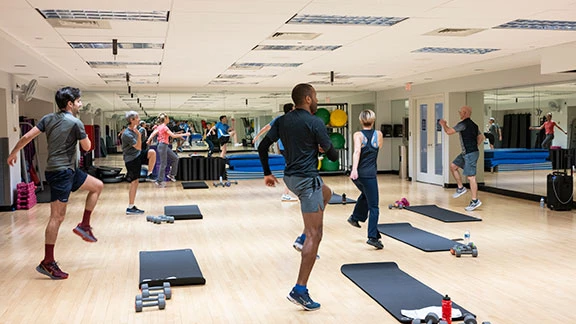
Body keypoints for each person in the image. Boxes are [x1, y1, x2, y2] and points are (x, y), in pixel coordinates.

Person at [6, 86, 104, 280]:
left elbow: (27, 137)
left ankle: (84, 224)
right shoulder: (76, 123)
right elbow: (87, 147)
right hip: (62, 173)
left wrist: (13, 152)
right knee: (56, 217)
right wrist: (82, 135)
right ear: (70, 104)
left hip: (67, 170)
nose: (81, 104)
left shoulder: (47, 118)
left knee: (97, 186)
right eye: (78, 101)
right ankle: (47, 262)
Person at [258, 83, 338, 311]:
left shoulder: (283, 120)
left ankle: (303, 239)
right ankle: (299, 290)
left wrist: (267, 173)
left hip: (291, 178)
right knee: (317, 233)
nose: (317, 98)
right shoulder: (315, 122)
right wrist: (325, 148)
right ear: (308, 98)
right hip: (306, 180)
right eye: (315, 95)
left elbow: (263, 146)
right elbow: (332, 154)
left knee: (328, 192)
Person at [348, 109, 384, 249]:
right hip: (369, 174)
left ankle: (355, 217)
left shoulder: (358, 135)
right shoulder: (378, 134)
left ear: (361, 121)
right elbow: (377, 146)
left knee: (366, 195)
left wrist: (354, 169)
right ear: (373, 120)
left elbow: (357, 151)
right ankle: (372, 237)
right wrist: (355, 169)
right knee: (374, 206)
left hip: (358, 175)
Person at [439, 106, 484, 211]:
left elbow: (449, 132)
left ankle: (475, 201)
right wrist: (474, 146)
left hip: (470, 154)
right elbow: (481, 137)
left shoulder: (463, 124)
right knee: (453, 166)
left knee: (471, 177)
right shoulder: (474, 125)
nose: (459, 113)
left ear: (464, 113)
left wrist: (444, 125)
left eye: (460, 112)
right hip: (467, 153)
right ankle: (461, 188)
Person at [253, 103, 296, 201]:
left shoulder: (279, 119)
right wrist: (257, 136)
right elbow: (266, 129)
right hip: (287, 149)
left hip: (286, 148)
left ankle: (289, 193)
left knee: (292, 169)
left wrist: (257, 136)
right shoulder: (283, 120)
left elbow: (266, 128)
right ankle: (286, 193)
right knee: (291, 170)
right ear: (291, 110)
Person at [121, 111, 157, 214]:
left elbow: (142, 147)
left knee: (152, 153)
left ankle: (150, 174)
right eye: (137, 118)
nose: (139, 120)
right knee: (134, 182)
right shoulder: (127, 134)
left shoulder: (137, 129)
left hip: (138, 155)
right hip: (131, 159)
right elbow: (138, 146)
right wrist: (139, 135)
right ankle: (130, 207)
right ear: (132, 120)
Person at [146, 113, 189, 188]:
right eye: (168, 118)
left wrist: (149, 140)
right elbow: (173, 136)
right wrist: (185, 134)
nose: (169, 119)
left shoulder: (159, 127)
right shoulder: (164, 127)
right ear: (165, 119)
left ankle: (171, 175)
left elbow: (153, 133)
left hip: (164, 146)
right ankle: (159, 181)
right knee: (163, 164)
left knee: (175, 158)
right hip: (162, 146)